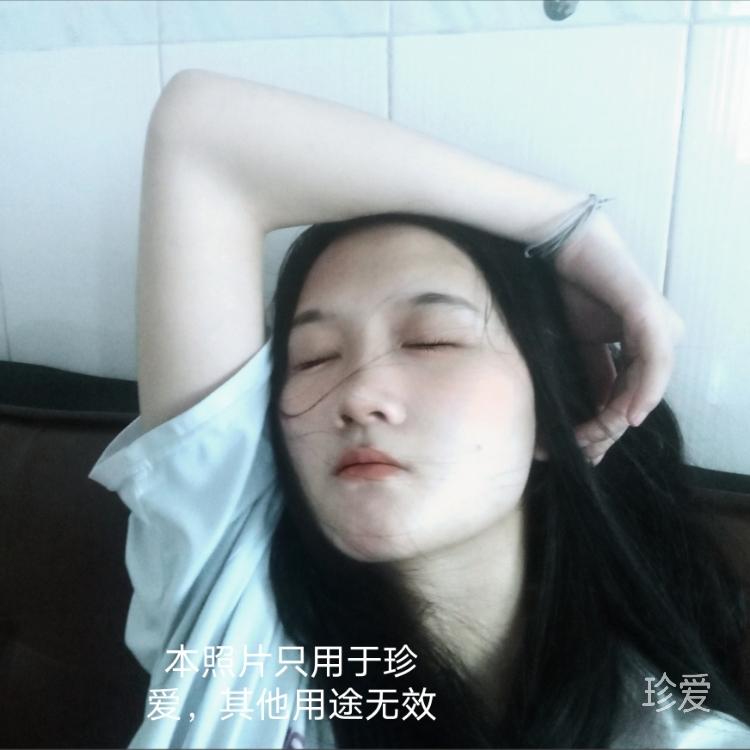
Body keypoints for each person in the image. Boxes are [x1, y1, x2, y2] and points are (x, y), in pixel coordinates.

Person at [88, 70, 750, 748]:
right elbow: (199, 131)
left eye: (432, 340)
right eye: (312, 357)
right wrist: (570, 229)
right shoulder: (229, 583)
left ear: (553, 413)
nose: (358, 396)